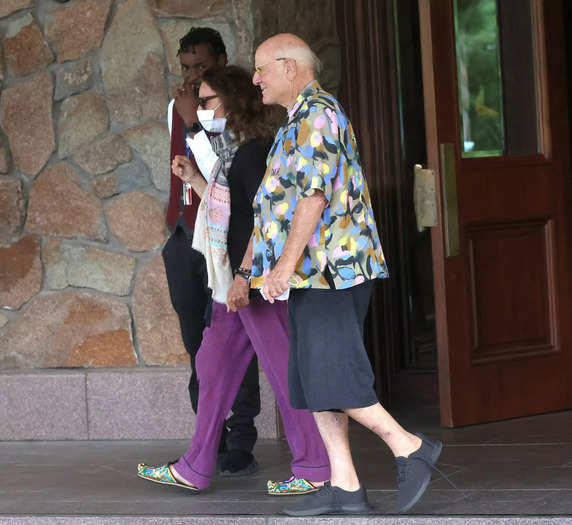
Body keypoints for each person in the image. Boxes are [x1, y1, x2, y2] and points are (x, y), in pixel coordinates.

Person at [249, 33, 443, 516]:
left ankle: (409, 447)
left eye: (261, 69)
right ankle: (346, 485)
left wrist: (284, 268)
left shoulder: (317, 115)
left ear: (289, 67)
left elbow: (312, 197)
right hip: (311, 276)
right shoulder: (298, 120)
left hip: (331, 272)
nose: (255, 79)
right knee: (316, 382)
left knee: (333, 376)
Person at [138, 65, 331, 495]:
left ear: (231, 102)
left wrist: (246, 277)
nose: (201, 109)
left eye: (208, 102)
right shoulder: (235, 152)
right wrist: (195, 181)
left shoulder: (253, 151)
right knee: (212, 365)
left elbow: (264, 221)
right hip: (235, 285)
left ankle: (315, 466)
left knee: (282, 371)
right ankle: (197, 464)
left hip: (251, 284)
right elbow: (232, 210)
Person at [162, 27, 260, 476]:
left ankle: (241, 436)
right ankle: (207, 442)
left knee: (236, 337)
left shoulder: (232, 116)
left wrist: (197, 121)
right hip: (186, 234)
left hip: (227, 243)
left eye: (201, 66)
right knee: (198, 343)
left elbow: (223, 167)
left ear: (221, 61)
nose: (191, 76)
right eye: (185, 68)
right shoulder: (178, 108)